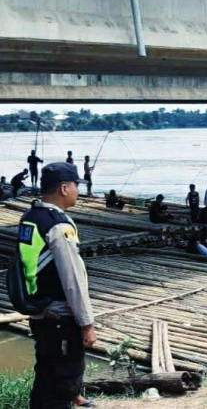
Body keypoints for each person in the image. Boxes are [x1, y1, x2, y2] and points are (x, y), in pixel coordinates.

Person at [17, 162, 96, 409]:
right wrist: (87, 323)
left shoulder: (31, 216)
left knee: (46, 371)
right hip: (60, 313)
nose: (77, 191)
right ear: (64, 188)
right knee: (63, 375)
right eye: (75, 186)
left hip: (39, 308)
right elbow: (72, 278)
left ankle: (71, 397)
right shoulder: (58, 225)